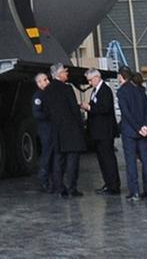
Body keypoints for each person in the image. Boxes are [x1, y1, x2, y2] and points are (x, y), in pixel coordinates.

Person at [39, 64, 85, 196]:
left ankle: (59, 188)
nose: (67, 74)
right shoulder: (67, 89)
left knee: (58, 160)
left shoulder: (47, 91)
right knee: (72, 161)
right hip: (71, 129)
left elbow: (46, 111)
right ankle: (72, 188)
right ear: (59, 74)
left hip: (56, 129)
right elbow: (74, 109)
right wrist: (80, 125)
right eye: (65, 72)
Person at [115, 67, 147, 200]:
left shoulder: (122, 92)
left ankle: (134, 192)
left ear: (121, 76)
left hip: (130, 131)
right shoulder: (140, 90)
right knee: (146, 160)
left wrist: (136, 127)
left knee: (131, 163)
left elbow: (126, 113)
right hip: (143, 131)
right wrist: (145, 126)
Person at [83, 68, 121, 194]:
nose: (89, 83)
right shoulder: (95, 91)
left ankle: (114, 185)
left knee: (108, 158)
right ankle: (108, 183)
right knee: (102, 159)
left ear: (96, 77)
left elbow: (105, 108)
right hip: (98, 131)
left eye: (90, 80)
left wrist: (90, 107)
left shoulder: (105, 90)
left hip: (105, 131)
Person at [31, 70, 55, 193]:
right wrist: (50, 114)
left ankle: (53, 180)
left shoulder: (49, 94)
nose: (47, 82)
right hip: (46, 129)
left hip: (53, 128)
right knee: (47, 154)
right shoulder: (39, 96)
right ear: (39, 83)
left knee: (54, 155)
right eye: (45, 80)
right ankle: (44, 180)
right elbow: (37, 113)